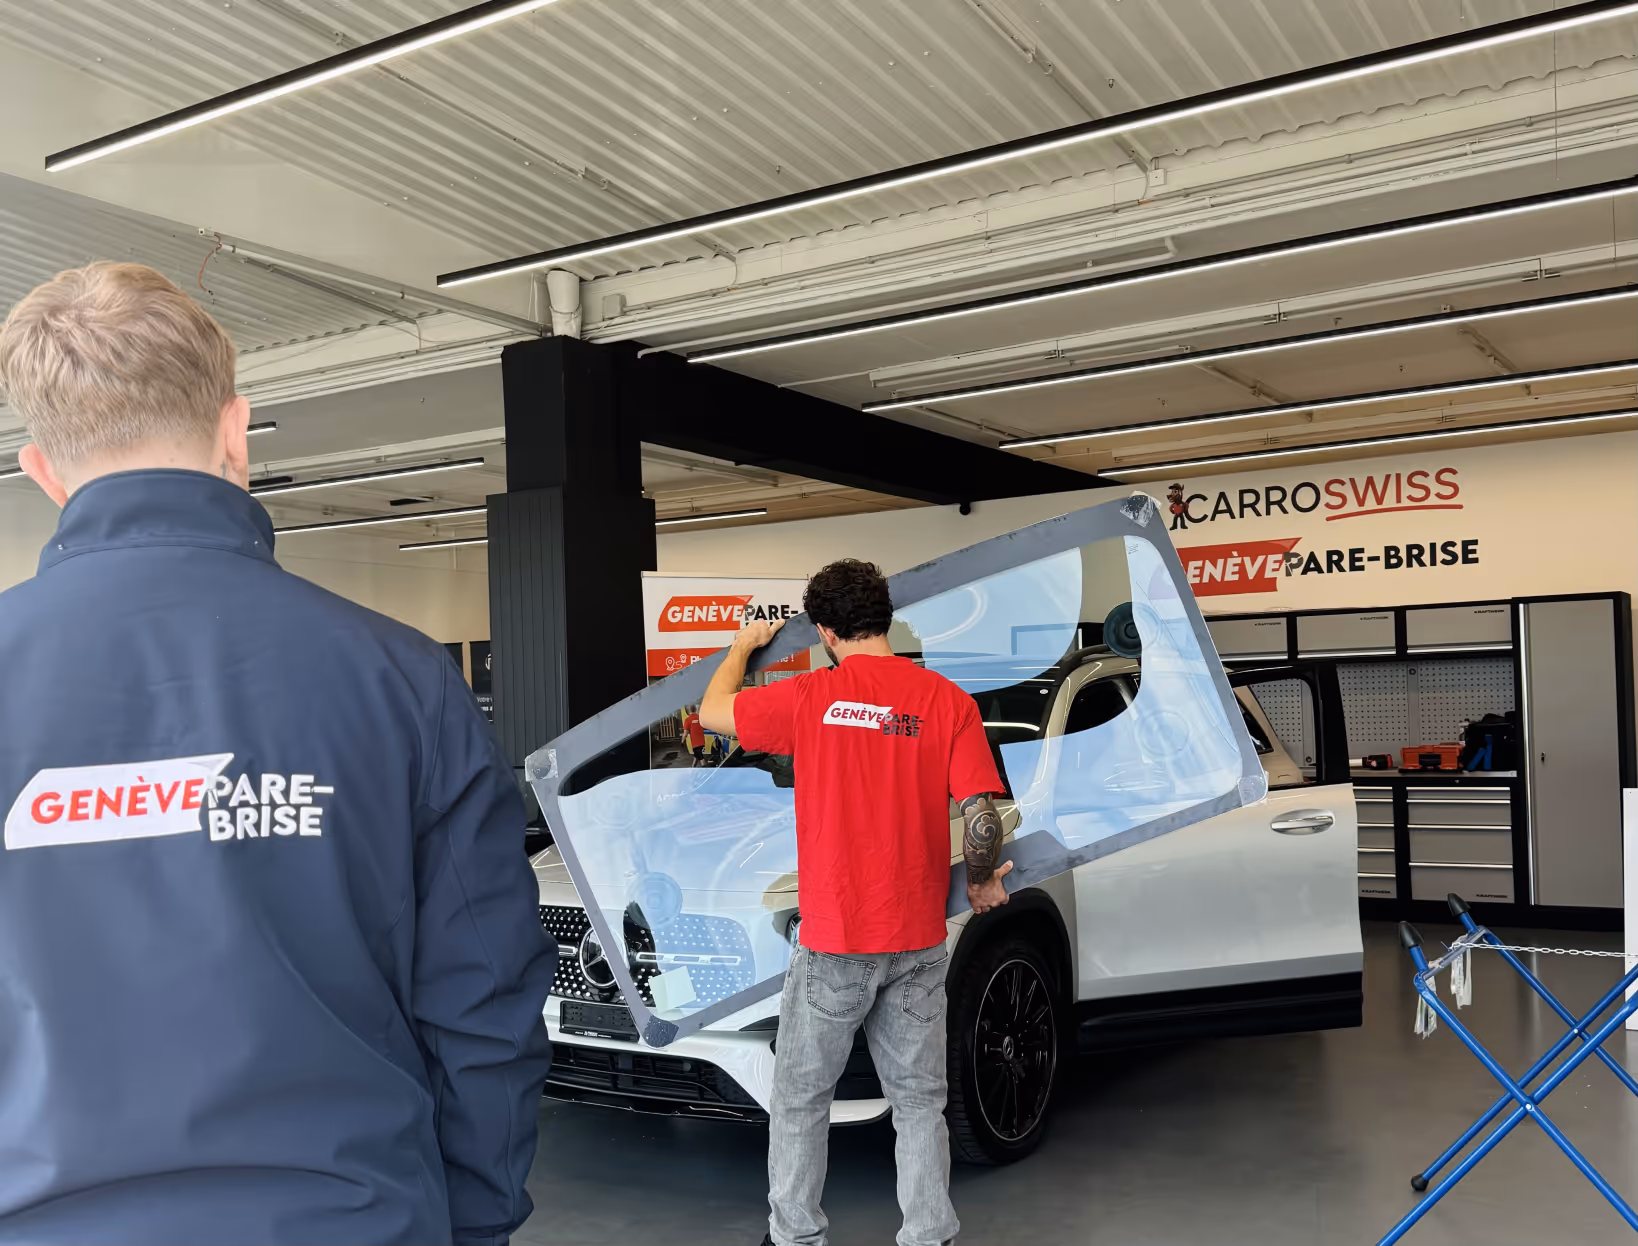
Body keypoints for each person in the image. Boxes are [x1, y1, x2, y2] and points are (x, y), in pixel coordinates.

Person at [0, 263, 555, 1245]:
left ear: (40, 470)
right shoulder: (402, 679)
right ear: (235, 429)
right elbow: (484, 1003)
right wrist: (473, 1222)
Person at [699, 558, 1013, 1246]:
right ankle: (929, 1234)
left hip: (837, 938)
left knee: (801, 1100)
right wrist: (985, 879)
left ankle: (796, 1236)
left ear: (823, 630)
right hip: (919, 938)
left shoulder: (810, 696)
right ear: (886, 617)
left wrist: (743, 648)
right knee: (920, 1103)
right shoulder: (945, 700)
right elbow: (983, 812)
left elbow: (711, 712)